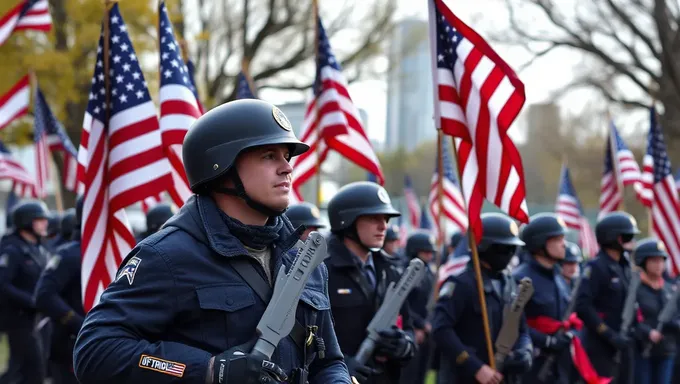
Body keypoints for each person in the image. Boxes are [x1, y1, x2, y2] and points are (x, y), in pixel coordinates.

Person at [73, 99, 350, 384]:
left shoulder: (304, 259)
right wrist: (208, 369)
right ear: (222, 167)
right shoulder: (167, 256)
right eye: (269, 156)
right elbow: (96, 351)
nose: (286, 168)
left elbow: (328, 361)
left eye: (286, 156)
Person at [325, 181, 416, 384]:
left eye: (385, 218)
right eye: (374, 218)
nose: (383, 225)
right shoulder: (322, 271)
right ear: (347, 221)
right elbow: (304, 336)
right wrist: (337, 365)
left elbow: (408, 326)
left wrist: (404, 345)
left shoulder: (391, 270)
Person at [432, 213, 532, 384]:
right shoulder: (462, 284)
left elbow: (521, 328)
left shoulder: (511, 284)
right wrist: (474, 366)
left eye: (512, 248)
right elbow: (441, 329)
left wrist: (525, 351)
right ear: (484, 247)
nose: (509, 254)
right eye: (503, 248)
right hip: (466, 378)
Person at [513, 213, 601, 383]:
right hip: (533, 365)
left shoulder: (558, 277)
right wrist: (547, 341)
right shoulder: (522, 279)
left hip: (560, 365)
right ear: (540, 244)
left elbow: (569, 316)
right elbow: (513, 324)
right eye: (557, 239)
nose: (564, 244)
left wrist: (569, 333)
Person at [575, 211, 639, 383]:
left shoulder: (626, 266)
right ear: (613, 238)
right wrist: (609, 334)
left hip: (625, 342)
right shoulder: (596, 267)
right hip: (602, 345)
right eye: (626, 236)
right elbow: (583, 306)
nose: (631, 240)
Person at [34, 197, 85, 384]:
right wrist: (78, 322)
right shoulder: (68, 254)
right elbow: (44, 295)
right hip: (70, 344)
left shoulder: (119, 252)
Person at [0, 200, 51, 384]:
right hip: (18, 319)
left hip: (37, 319)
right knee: (25, 369)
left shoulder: (39, 249)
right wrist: (31, 301)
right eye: (40, 219)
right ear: (26, 222)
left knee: (32, 371)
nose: (45, 223)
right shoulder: (12, 249)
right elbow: (4, 285)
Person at [632, 239, 678, 384]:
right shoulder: (635, 289)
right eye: (654, 260)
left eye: (661, 260)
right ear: (643, 262)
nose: (659, 265)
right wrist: (647, 332)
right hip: (643, 350)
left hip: (667, 349)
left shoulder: (669, 289)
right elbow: (631, 319)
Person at [399, 231, 436, 384]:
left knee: (421, 374)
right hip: (409, 329)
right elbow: (402, 303)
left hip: (425, 331)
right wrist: (418, 325)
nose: (430, 255)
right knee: (409, 376)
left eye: (431, 252)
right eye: (426, 251)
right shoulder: (406, 271)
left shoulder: (428, 272)